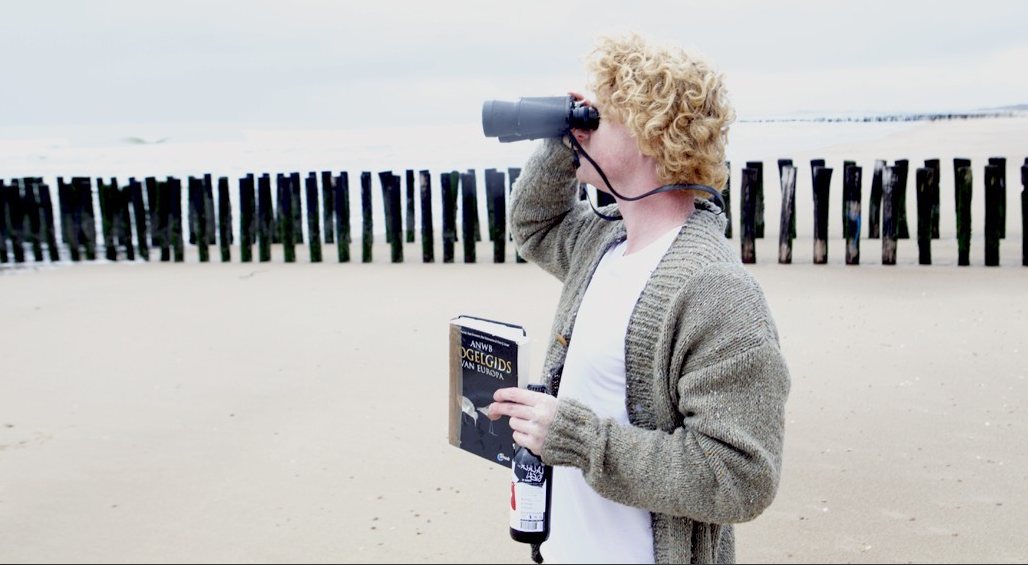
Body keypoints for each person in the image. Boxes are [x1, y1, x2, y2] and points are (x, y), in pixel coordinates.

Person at [488, 32, 791, 564]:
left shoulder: (716, 290)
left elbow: (741, 477)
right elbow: (535, 223)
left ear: (651, 134)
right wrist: (562, 144)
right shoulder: (600, 244)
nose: (577, 125)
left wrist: (577, 439)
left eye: (594, 115)